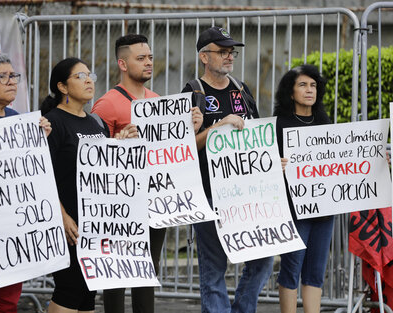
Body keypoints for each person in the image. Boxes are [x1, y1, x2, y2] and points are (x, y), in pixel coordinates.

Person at [91, 33, 202, 313]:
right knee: (116, 270)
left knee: (147, 270)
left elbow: (172, 149)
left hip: (155, 199)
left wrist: (192, 127)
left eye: (150, 57)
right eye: (141, 58)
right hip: (120, 203)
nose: (149, 63)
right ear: (123, 64)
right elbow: (93, 157)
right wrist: (118, 143)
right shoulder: (106, 104)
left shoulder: (156, 99)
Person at [181, 26, 274, 313]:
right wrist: (216, 128)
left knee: (262, 260)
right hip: (209, 193)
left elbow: (258, 135)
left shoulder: (242, 90)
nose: (229, 56)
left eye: (230, 51)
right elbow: (182, 149)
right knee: (213, 268)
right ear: (204, 57)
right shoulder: (191, 92)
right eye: (222, 52)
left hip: (247, 193)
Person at [40, 57, 136, 313]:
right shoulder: (53, 123)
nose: (88, 81)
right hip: (69, 223)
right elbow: (43, 175)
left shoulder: (97, 122)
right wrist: (62, 215)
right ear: (62, 87)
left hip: (95, 225)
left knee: (87, 294)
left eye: (89, 75)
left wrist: (120, 143)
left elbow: (103, 168)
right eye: (79, 76)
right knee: (69, 289)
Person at [0, 52, 51, 313]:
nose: (12, 81)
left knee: (8, 295)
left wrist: (40, 140)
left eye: (14, 75)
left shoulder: (17, 119)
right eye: (2, 76)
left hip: (13, 221)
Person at [273, 65, 334, 313]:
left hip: (324, 208)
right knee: (292, 267)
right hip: (293, 209)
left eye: (313, 85)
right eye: (302, 85)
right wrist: (275, 164)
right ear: (290, 92)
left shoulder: (324, 121)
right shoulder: (278, 124)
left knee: (315, 271)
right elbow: (263, 165)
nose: (310, 90)